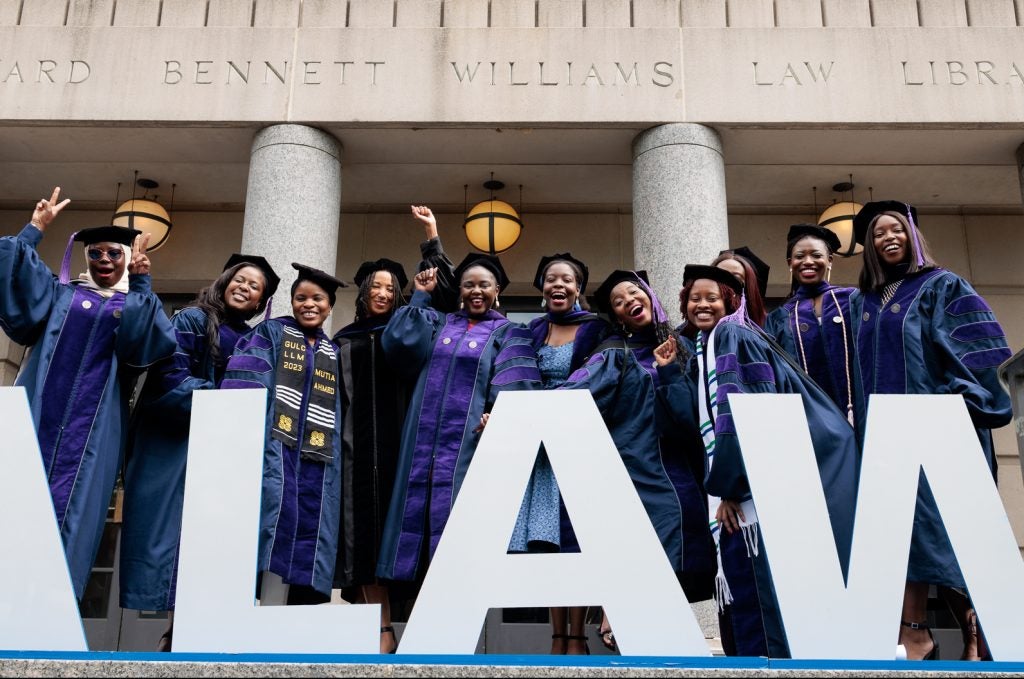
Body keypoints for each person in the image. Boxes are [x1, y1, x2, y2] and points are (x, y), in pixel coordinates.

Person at [655, 264, 859, 658]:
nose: (702, 304)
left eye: (711, 297)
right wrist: (667, 372)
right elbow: (691, 423)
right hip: (748, 490)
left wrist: (733, 487)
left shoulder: (731, 335)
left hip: (751, 497)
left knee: (758, 602)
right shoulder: (705, 346)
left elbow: (744, 412)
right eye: (694, 298)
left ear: (730, 302)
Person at [851, 200, 1012, 661]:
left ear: (914, 236)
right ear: (869, 246)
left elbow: (980, 351)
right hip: (884, 440)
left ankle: (981, 629)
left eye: (896, 229)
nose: (888, 237)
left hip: (938, 434)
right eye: (879, 233)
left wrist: (962, 400)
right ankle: (915, 634)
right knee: (900, 533)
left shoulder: (943, 286)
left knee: (947, 527)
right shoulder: (864, 302)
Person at [0, 187, 177, 600]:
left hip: (96, 428)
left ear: (126, 261)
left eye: (114, 255)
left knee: (76, 510)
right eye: (95, 254)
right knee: (18, 498)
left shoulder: (133, 302)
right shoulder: (62, 294)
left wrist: (143, 280)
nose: (103, 262)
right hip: (38, 412)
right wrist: (35, 228)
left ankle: (54, 607)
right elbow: (11, 270)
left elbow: (143, 344)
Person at [119, 253, 279, 650]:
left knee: (214, 536)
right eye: (240, 279)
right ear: (225, 281)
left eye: (254, 286)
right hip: (179, 440)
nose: (244, 287)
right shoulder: (192, 319)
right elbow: (170, 373)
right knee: (175, 533)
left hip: (225, 448)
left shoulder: (254, 338)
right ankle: (175, 632)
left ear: (261, 302)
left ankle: (198, 628)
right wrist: (223, 402)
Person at [560, 269, 716, 653]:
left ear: (650, 297)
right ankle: (619, 618)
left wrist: (667, 371)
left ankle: (651, 633)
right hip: (633, 466)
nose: (628, 300)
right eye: (617, 302)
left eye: (633, 292)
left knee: (681, 548)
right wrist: (514, 408)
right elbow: (573, 392)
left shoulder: (683, 349)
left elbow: (689, 417)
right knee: (646, 540)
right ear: (617, 318)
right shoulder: (615, 353)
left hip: (680, 468)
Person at [376, 253, 541, 584]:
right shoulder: (438, 322)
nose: (475, 291)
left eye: (484, 285)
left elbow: (518, 381)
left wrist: (498, 413)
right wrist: (421, 294)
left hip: (471, 442)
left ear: (498, 291)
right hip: (421, 444)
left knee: (461, 523)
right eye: (468, 285)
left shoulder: (510, 332)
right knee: (415, 523)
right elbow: (399, 347)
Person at [221, 263, 347, 605]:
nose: (309, 304)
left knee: (308, 528)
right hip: (274, 450)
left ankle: (288, 615)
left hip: (317, 461)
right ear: (291, 302)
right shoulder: (269, 334)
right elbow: (245, 386)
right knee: (270, 520)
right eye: (301, 297)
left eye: (317, 299)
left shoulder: (333, 351)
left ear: (329, 306)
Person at [512, 253, 608, 655]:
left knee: (577, 537)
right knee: (547, 539)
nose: (558, 285)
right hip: (539, 450)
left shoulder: (597, 329)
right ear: (541, 287)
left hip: (579, 439)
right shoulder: (530, 331)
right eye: (550, 278)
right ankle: (558, 635)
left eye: (567, 279)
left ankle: (579, 633)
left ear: (579, 287)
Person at [332, 257, 409, 654]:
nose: (383, 294)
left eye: (391, 289)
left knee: (405, 532)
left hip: (403, 443)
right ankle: (381, 627)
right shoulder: (343, 340)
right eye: (376, 287)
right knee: (362, 531)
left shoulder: (409, 333)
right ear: (363, 293)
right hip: (355, 446)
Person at [764, 224, 857, 424]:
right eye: (799, 256)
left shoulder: (853, 301)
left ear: (829, 260)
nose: (808, 261)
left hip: (857, 412)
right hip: (807, 420)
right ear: (790, 263)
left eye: (816, 255)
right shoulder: (780, 316)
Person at [711, 246, 769, 327]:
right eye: (720, 276)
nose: (727, 283)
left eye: (736, 278)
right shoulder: (696, 328)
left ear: (749, 287)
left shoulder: (769, 325)